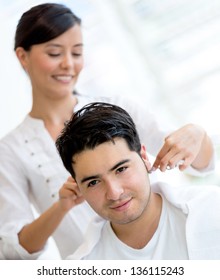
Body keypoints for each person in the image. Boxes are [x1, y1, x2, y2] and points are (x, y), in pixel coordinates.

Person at [0, 3, 214, 260]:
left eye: (77, 53)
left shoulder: (119, 108)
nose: (68, 64)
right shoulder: (10, 151)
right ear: (23, 56)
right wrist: (61, 207)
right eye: (55, 53)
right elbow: (13, 250)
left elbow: (198, 164)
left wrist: (196, 135)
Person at [56, 102, 220, 260]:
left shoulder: (211, 207)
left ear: (143, 157)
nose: (114, 193)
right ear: (78, 187)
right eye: (93, 182)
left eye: (121, 169)